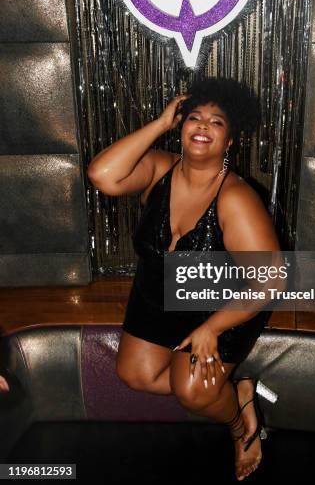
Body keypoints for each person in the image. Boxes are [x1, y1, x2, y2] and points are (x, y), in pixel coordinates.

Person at [87, 77, 283, 481]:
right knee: (135, 375)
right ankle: (233, 386)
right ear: (181, 126)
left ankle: (239, 424)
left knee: (193, 391)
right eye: (194, 117)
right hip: (158, 294)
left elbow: (270, 281)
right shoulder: (159, 168)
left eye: (216, 122)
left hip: (221, 305)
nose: (202, 126)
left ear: (230, 142)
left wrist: (212, 326)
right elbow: (102, 175)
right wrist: (160, 124)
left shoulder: (236, 199)